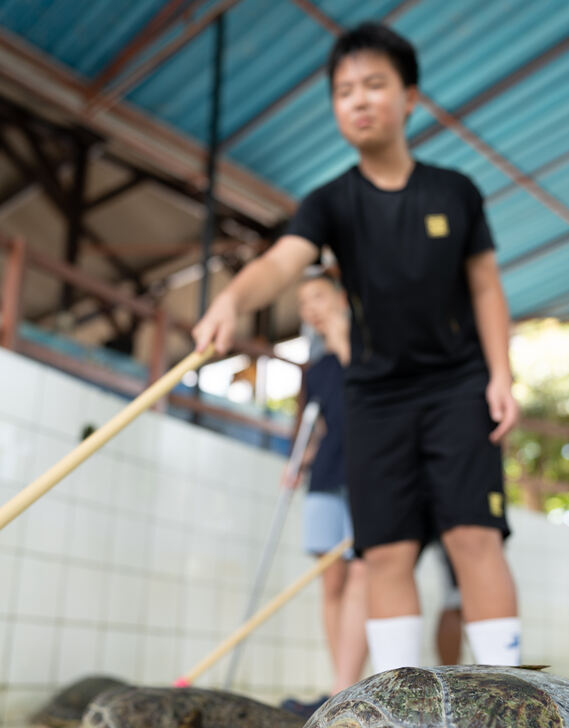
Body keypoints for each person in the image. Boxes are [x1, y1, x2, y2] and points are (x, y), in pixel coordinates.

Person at [193, 21, 521, 672]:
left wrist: (502, 375)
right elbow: (283, 264)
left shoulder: (455, 192)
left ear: (409, 99)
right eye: (344, 91)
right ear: (335, 108)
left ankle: (507, 699)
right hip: (376, 395)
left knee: (473, 537)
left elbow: (485, 288)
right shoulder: (329, 201)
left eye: (375, 85)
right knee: (385, 551)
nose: (360, 100)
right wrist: (232, 299)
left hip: (458, 386)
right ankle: (397, 703)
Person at [281, 270, 368, 718]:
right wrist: (300, 461)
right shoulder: (315, 372)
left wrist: (341, 337)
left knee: (362, 575)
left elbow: (375, 393)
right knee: (331, 581)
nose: (310, 308)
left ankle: (348, 686)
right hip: (327, 474)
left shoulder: (369, 348)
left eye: (317, 297)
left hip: (368, 472)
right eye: (302, 304)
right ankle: (340, 687)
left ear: (340, 297)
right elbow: (317, 427)